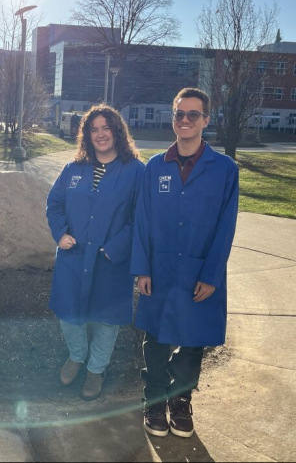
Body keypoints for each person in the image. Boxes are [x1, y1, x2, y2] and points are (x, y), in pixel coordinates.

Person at [131, 87, 239, 438]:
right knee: (157, 340)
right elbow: (142, 221)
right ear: (173, 118)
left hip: (199, 272)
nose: (186, 120)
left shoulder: (224, 170)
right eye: (180, 113)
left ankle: (181, 400)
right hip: (160, 270)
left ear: (207, 120)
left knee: (193, 342)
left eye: (194, 114)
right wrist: (142, 268)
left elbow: (226, 227)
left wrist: (212, 276)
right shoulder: (154, 167)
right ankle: (155, 400)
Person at [46, 105, 144, 401]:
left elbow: (139, 218)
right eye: (94, 129)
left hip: (111, 260)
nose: (100, 134)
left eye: (106, 127)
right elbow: (54, 204)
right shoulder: (73, 169)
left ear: (118, 131)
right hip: (74, 257)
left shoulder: (136, 171)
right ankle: (77, 355)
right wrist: (60, 233)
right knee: (68, 313)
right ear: (87, 135)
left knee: (106, 319)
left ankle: (95, 369)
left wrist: (114, 249)